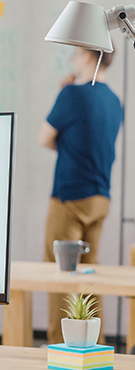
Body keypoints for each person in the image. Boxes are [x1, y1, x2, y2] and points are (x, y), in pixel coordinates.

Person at [38, 47, 122, 345]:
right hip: (101, 197)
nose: (72, 59)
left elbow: (44, 137)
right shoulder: (115, 102)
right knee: (89, 273)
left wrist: (65, 93)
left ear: (88, 56)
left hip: (70, 195)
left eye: (76, 53)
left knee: (60, 273)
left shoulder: (71, 95)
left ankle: (61, 346)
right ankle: (93, 345)